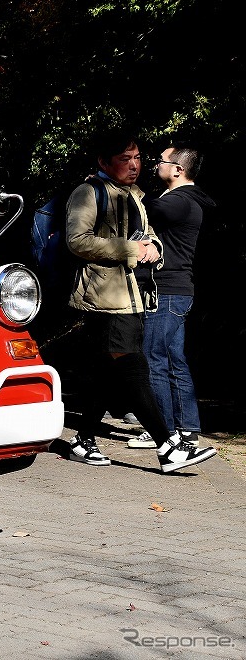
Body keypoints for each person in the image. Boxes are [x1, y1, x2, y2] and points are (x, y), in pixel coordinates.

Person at [63, 131, 215, 473]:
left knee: (109, 369)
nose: (134, 165)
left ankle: (83, 440)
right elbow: (78, 241)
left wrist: (155, 247)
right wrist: (133, 249)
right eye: (124, 159)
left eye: (137, 158)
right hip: (103, 295)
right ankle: (168, 445)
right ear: (104, 162)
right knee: (134, 366)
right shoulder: (88, 192)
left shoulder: (135, 195)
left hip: (132, 294)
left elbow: (149, 234)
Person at [127, 144, 215, 450]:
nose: (155, 165)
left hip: (165, 292)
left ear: (178, 169)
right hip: (176, 292)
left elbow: (145, 209)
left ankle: (163, 432)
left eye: (161, 161)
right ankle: (187, 429)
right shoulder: (186, 199)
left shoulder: (179, 200)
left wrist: (121, 187)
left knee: (153, 358)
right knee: (174, 360)